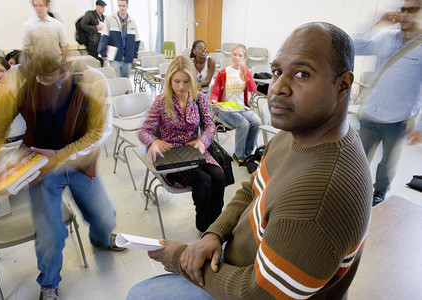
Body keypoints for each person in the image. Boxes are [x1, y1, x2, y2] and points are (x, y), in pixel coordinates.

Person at [127, 22, 372, 300]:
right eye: (278, 71)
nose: (278, 87)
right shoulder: (293, 136)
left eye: (302, 74)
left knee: (140, 294)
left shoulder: (320, 196)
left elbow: (257, 294)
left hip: (250, 286)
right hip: (236, 257)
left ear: (343, 85)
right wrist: (214, 235)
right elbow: (252, 189)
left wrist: (181, 258)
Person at [0, 52, 124, 300]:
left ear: (65, 65)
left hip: (80, 163)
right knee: (50, 233)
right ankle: (48, 283)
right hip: (42, 167)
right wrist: (0, 158)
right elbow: (4, 125)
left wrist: (62, 155)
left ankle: (102, 240)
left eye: (45, 75)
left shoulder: (93, 81)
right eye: (35, 73)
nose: (39, 79)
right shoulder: (25, 81)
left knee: (104, 217)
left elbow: (102, 131)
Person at [138, 56, 225, 234]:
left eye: (186, 81)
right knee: (204, 181)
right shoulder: (162, 101)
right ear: (170, 79)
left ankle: (217, 225)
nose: (181, 86)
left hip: (195, 151)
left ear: (192, 81)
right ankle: (204, 229)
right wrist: (153, 141)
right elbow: (143, 131)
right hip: (172, 156)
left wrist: (202, 141)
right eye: (176, 81)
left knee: (218, 175)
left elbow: (210, 126)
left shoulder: (199, 98)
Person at [354, 0, 422, 206]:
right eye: (403, 9)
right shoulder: (386, 37)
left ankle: (378, 194)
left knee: (386, 164)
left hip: (398, 119)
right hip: (370, 114)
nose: (405, 14)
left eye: (412, 9)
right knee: (358, 160)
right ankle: (354, 189)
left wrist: (419, 126)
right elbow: (354, 46)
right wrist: (377, 23)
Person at [209, 44, 261, 164]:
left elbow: (253, 89)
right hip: (224, 108)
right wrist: (214, 101)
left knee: (257, 122)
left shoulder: (245, 72)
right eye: (234, 54)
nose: (236, 57)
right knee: (243, 124)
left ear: (244, 58)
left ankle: (248, 153)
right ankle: (239, 155)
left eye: (240, 55)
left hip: (241, 107)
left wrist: (246, 72)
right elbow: (215, 92)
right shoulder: (223, 72)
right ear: (231, 55)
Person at [98, 0, 140, 78]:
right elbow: (104, 35)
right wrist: (102, 52)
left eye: (124, 6)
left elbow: (136, 40)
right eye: (119, 6)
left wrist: (135, 55)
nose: (122, 8)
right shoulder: (110, 19)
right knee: (117, 81)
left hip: (128, 56)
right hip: (115, 56)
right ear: (117, 6)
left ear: (127, 6)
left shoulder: (132, 22)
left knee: (125, 80)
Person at [22, 0, 68, 64]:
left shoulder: (57, 24)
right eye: (35, 5)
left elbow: (64, 45)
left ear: (46, 5)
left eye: (41, 5)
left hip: (56, 64)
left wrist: (63, 62)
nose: (38, 8)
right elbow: (25, 48)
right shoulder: (28, 25)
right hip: (39, 66)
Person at [81, 0, 107, 66]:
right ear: (97, 6)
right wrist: (96, 28)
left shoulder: (104, 17)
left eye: (104, 7)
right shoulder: (90, 14)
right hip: (92, 44)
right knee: (94, 63)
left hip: (102, 44)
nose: (103, 9)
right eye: (102, 7)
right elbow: (83, 25)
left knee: (102, 63)